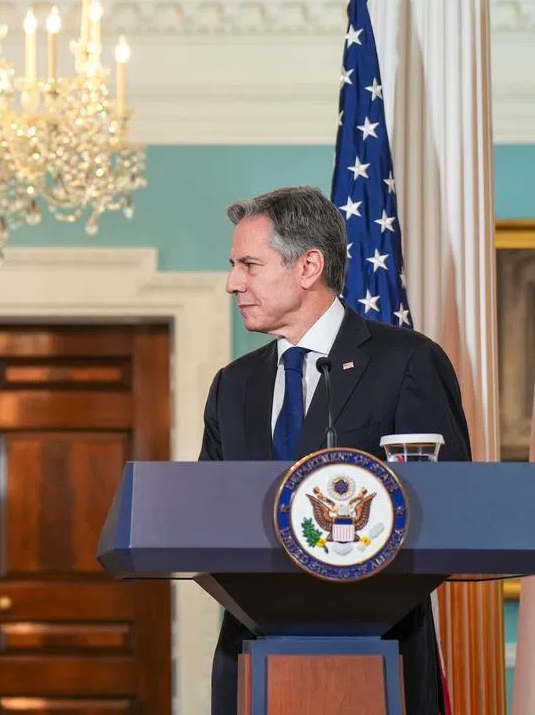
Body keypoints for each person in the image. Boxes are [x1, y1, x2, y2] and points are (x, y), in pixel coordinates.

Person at [199, 185, 470, 715]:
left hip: (378, 652)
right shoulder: (233, 384)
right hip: (250, 654)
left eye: (249, 265)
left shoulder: (406, 362)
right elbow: (206, 511)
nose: (233, 283)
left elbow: (451, 505)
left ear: (308, 266)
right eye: (234, 266)